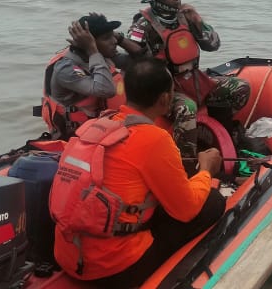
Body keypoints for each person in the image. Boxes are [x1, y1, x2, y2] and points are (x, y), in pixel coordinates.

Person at [51, 56, 226, 287]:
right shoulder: (154, 139)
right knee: (213, 202)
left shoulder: (94, 126)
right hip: (115, 269)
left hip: (67, 255)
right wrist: (206, 170)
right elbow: (186, 210)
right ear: (166, 99)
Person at [124, 0, 250, 161]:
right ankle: (186, 161)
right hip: (166, 88)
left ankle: (220, 129)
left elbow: (213, 45)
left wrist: (198, 21)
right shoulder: (142, 25)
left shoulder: (186, 17)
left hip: (195, 80)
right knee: (186, 108)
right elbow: (135, 62)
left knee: (240, 88)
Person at [39, 13, 128, 139]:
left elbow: (141, 61)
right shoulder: (66, 68)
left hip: (100, 132)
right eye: (107, 38)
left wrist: (121, 39)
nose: (114, 42)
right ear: (88, 43)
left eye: (113, 36)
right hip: (75, 139)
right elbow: (106, 89)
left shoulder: (101, 56)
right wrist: (92, 50)